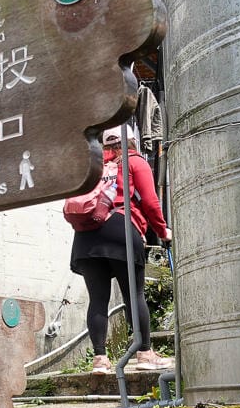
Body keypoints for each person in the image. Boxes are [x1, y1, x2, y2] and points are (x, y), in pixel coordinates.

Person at [71, 125, 172, 374]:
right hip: (120, 229)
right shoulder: (135, 162)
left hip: (85, 237)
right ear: (133, 142)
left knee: (98, 299)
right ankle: (145, 353)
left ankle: (100, 359)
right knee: (134, 295)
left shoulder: (93, 166)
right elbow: (149, 201)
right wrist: (162, 231)